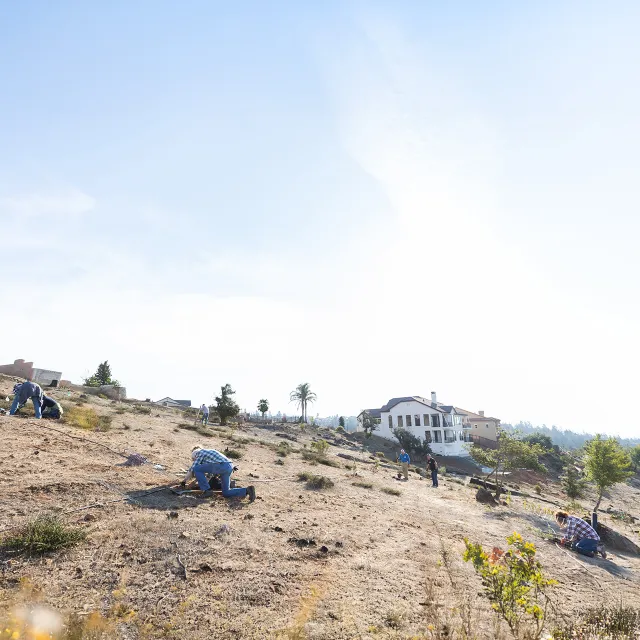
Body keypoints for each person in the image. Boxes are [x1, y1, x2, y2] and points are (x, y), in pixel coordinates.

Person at [181, 446, 255, 501]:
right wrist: (196, 482)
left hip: (222, 466)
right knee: (226, 492)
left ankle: (207, 491)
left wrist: (184, 481)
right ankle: (247, 490)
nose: (194, 460)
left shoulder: (200, 453)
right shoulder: (209, 455)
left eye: (194, 459)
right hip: (228, 467)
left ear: (195, 455)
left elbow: (193, 469)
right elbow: (208, 476)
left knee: (196, 468)